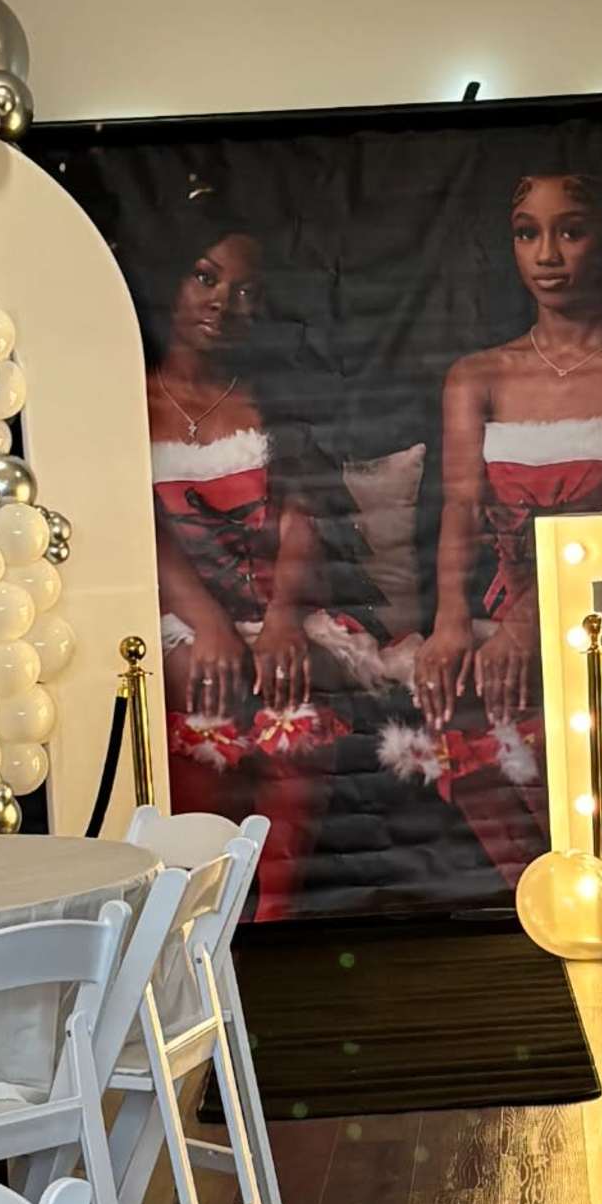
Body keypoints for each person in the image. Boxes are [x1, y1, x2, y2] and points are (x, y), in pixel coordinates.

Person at [410, 169, 602, 878]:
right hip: (502, 599)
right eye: (528, 233)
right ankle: (537, 891)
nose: (547, 253)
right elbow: (460, 504)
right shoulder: (477, 373)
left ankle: (596, 886)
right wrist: (451, 618)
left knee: (566, 717)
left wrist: (530, 625)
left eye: (570, 230)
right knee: (447, 695)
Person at [144, 224, 351, 912]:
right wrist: (206, 624)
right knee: (200, 680)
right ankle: (206, 907)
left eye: (245, 290)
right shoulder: (129, 400)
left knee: (296, 682)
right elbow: (148, 533)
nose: (222, 302)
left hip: (272, 603)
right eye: (205, 277)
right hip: (181, 608)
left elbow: (299, 520)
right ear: (170, 282)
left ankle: (277, 912)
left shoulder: (267, 396)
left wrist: (286, 618)